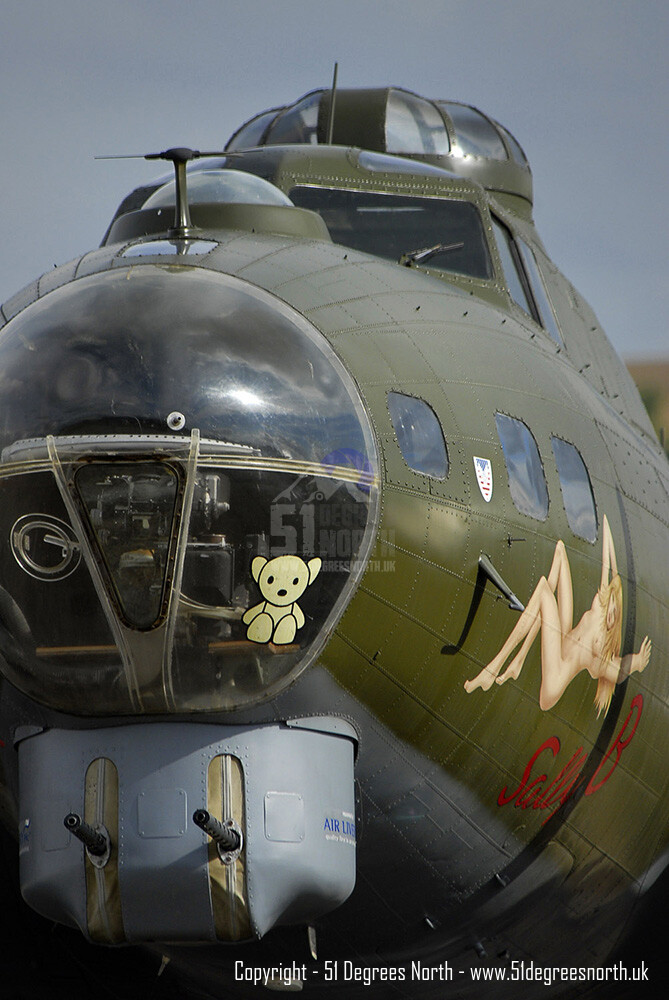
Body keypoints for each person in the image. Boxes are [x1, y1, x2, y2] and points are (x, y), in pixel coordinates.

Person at [464, 515, 651, 716]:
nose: (612, 613)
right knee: (560, 550)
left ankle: (494, 668)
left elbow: (618, 670)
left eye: (616, 611)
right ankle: (518, 660)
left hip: (554, 682)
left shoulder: (601, 652)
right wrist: (605, 520)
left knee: (544, 590)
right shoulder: (600, 607)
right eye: (612, 604)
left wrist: (637, 663)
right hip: (562, 641)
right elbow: (609, 566)